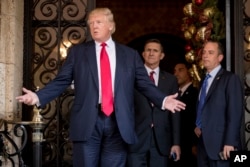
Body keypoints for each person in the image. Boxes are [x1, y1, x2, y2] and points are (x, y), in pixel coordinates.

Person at [16, 8, 185, 167]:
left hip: (119, 123)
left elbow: (144, 83)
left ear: (111, 26)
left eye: (98, 22)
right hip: (88, 120)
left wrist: (162, 100)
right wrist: (38, 96)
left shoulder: (129, 55)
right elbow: (62, 80)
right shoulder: (78, 52)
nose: (93, 26)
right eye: (91, 23)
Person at [127, 39, 181, 167]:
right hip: (136, 139)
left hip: (161, 141)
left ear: (161, 56)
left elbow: (175, 114)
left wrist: (176, 143)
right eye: (148, 50)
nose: (151, 53)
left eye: (155, 51)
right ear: (143, 54)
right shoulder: (131, 77)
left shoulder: (170, 80)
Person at [194, 40, 243, 167]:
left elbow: (235, 113)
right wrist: (198, 125)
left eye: (210, 53)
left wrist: (230, 142)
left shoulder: (230, 79)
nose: (205, 55)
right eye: (204, 52)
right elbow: (204, 108)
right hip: (203, 143)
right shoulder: (203, 81)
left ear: (220, 58)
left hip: (222, 145)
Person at [172, 62, 199, 167]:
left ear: (189, 72)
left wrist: (195, 143)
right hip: (176, 146)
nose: (176, 74)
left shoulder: (195, 93)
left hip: (189, 147)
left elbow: (196, 119)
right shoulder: (174, 94)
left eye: (180, 70)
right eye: (175, 71)